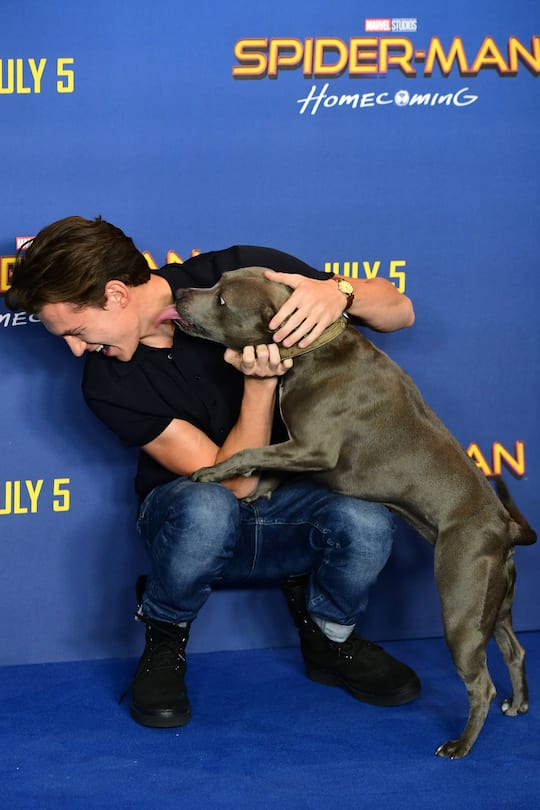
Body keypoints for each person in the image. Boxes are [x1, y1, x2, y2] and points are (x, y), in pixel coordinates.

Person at [6, 215, 419, 729]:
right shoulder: (106, 381)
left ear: (115, 295)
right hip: (186, 517)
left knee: (369, 519)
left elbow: (400, 312)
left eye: (76, 331)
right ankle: (165, 638)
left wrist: (337, 292)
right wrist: (260, 384)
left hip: (291, 507)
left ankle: (329, 638)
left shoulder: (244, 273)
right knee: (207, 506)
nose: (73, 348)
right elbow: (234, 483)